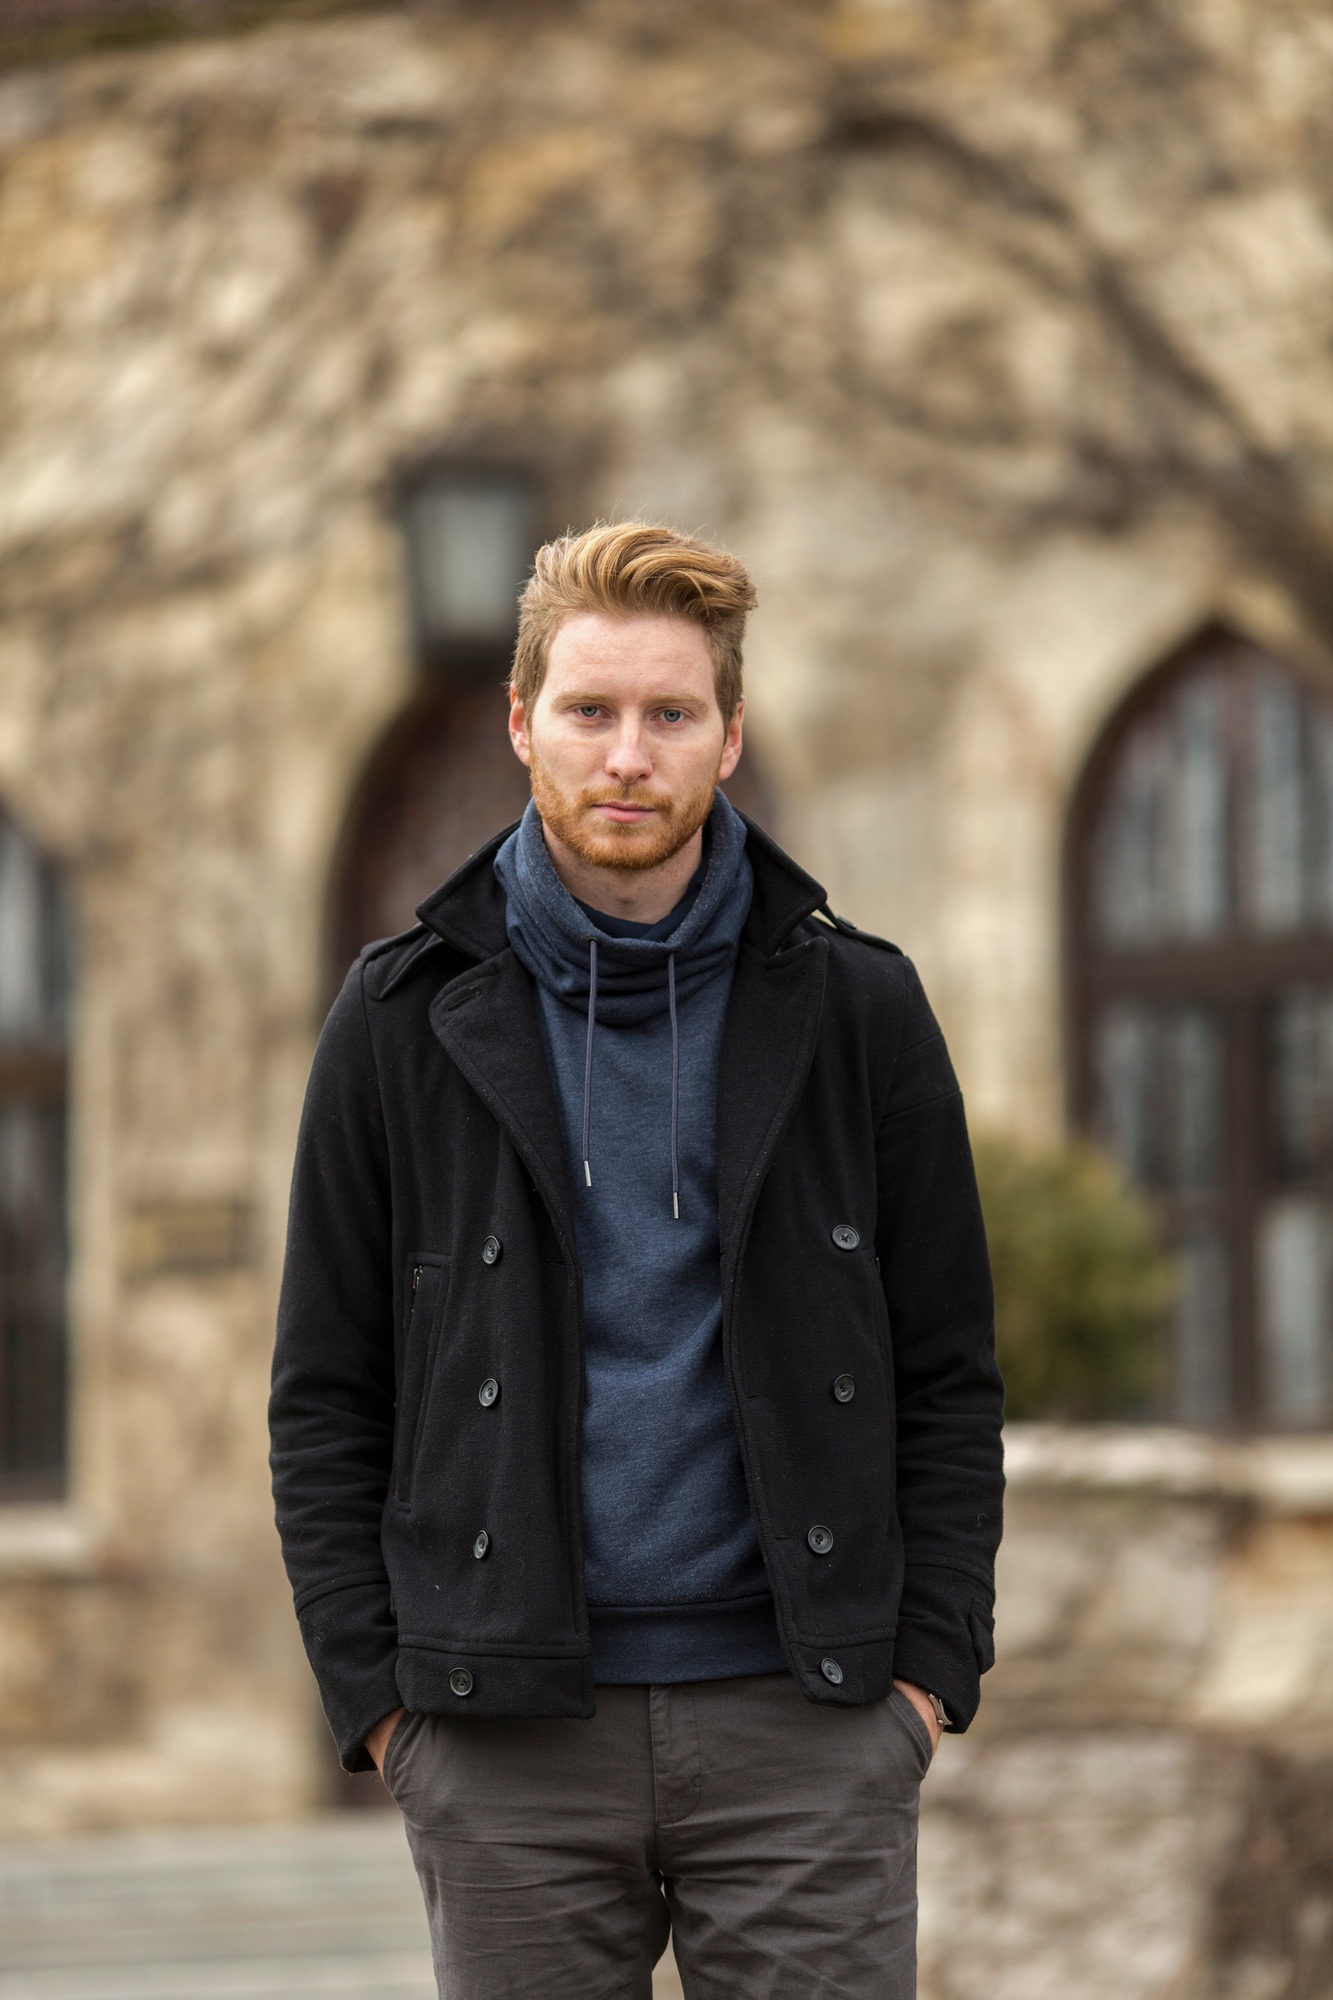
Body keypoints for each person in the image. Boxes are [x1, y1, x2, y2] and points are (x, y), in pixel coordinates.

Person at [270, 521, 1004, 2000]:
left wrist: (922, 1678)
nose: (626, 754)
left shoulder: (858, 1010)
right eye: (589, 711)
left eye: (669, 714)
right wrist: (382, 1711)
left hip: (804, 1718)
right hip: (505, 1736)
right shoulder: (401, 1018)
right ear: (521, 723)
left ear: (728, 738)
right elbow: (325, 1392)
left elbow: (946, 1375)